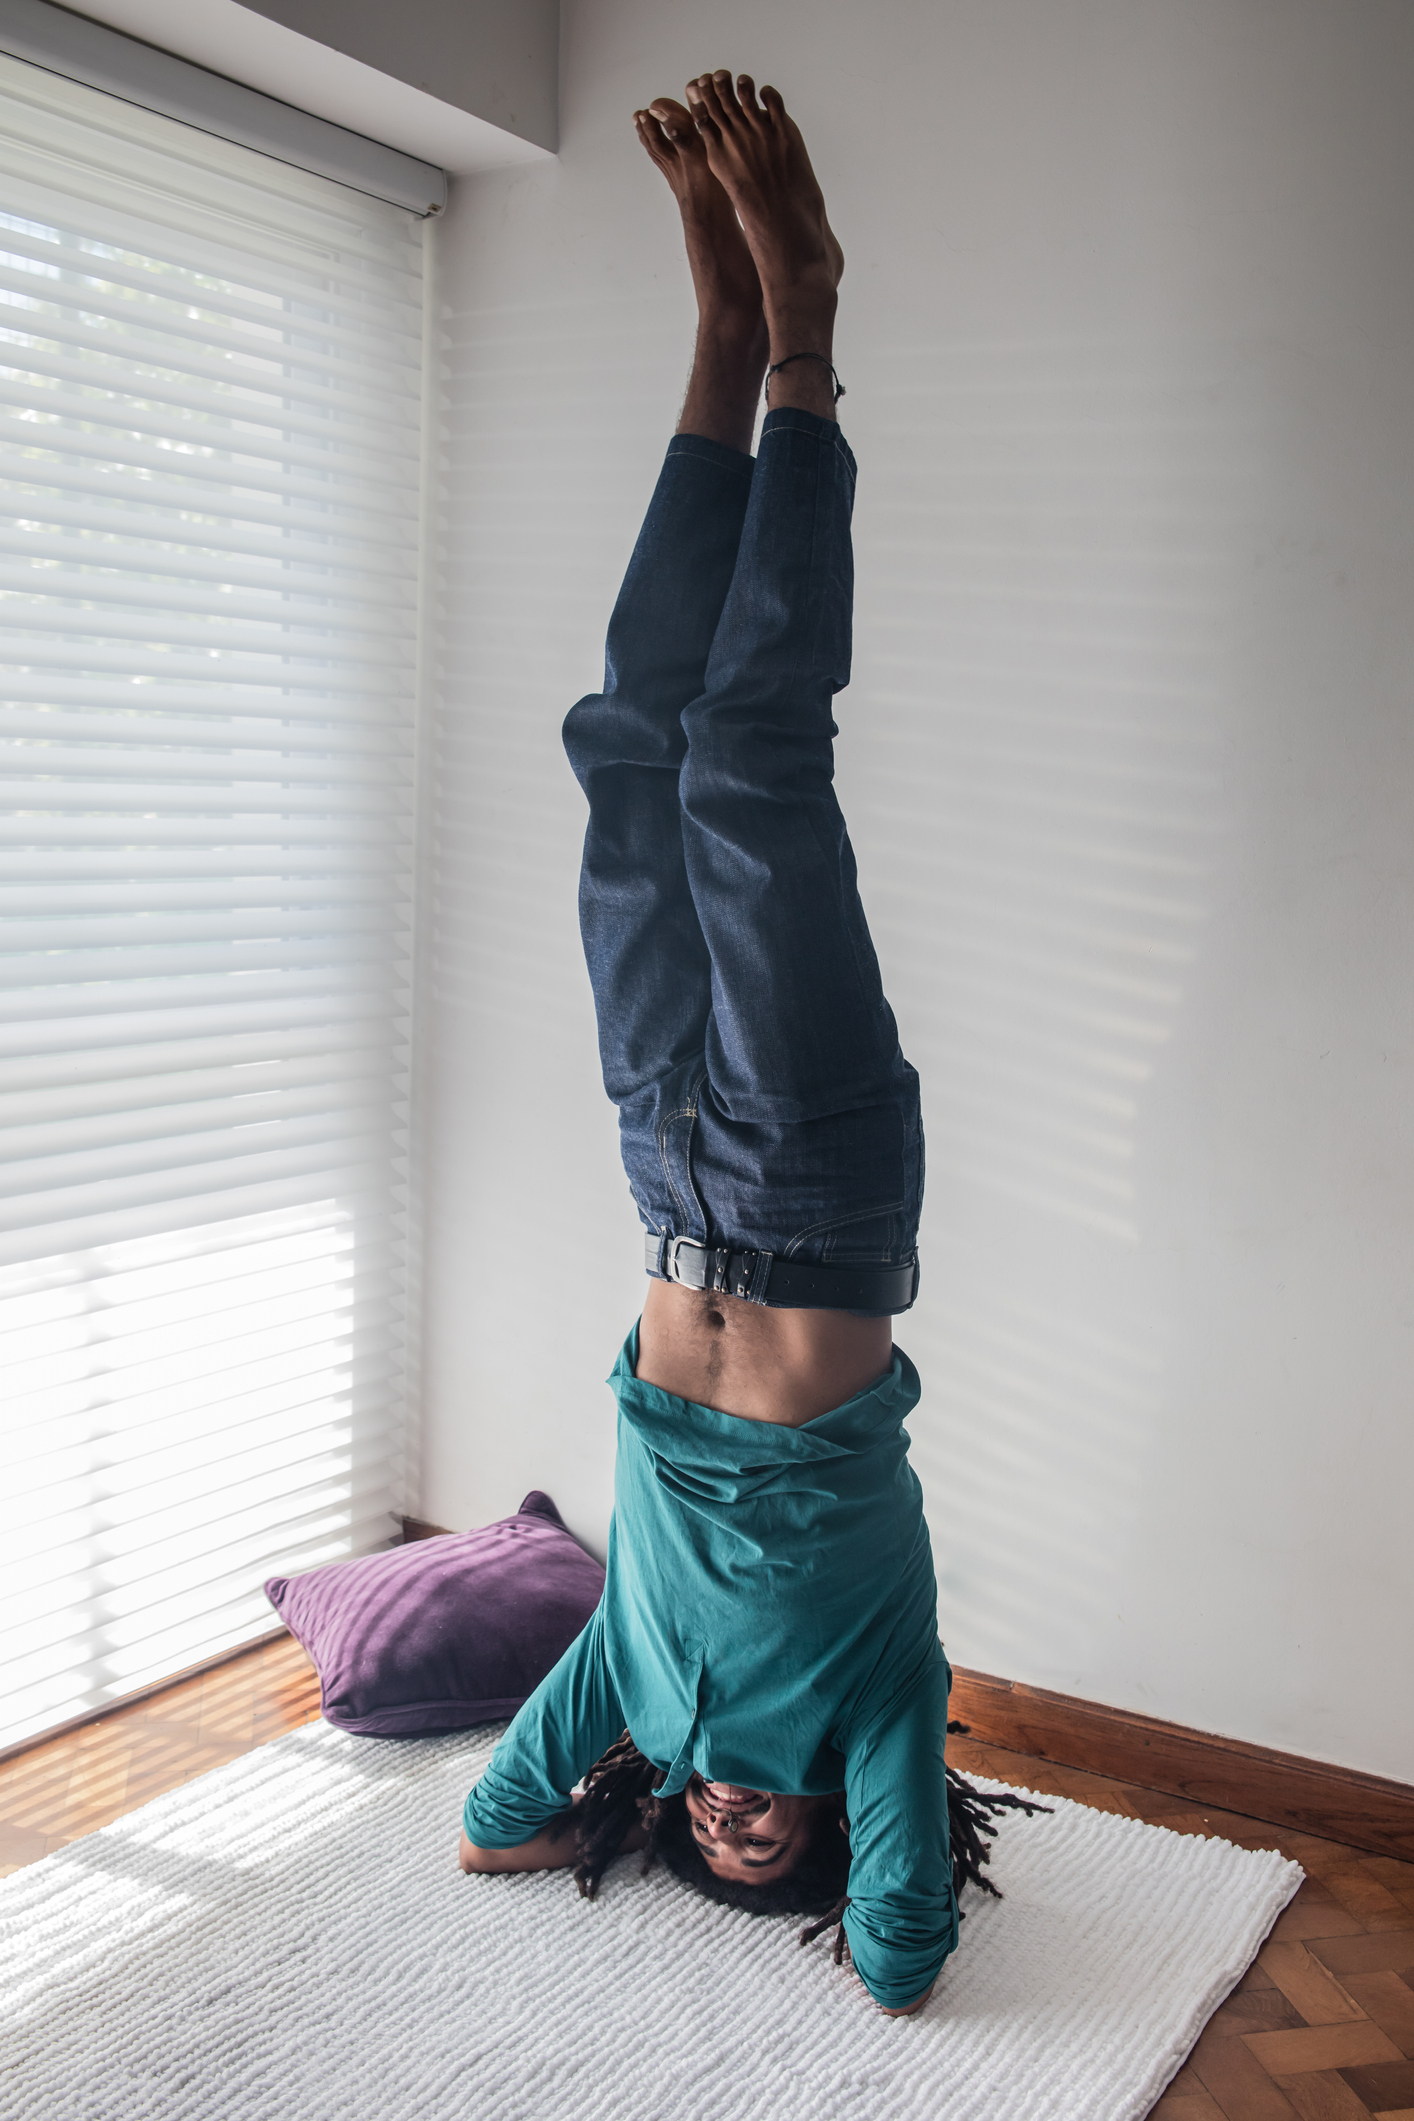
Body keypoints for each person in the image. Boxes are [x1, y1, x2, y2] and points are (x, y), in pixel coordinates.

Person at [458, 68, 1035, 2017]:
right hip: (809, 1193)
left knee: (630, 750)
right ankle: (803, 336)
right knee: (746, 768)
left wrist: (578, 1793)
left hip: (664, 1162)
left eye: (703, 1837)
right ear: (825, 1816)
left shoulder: (622, 1679)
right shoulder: (877, 1703)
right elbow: (894, 1967)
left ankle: (710, 344)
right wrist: (879, 1876)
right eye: (757, 1838)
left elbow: (488, 1814)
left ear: (659, 1805)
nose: (734, 1830)